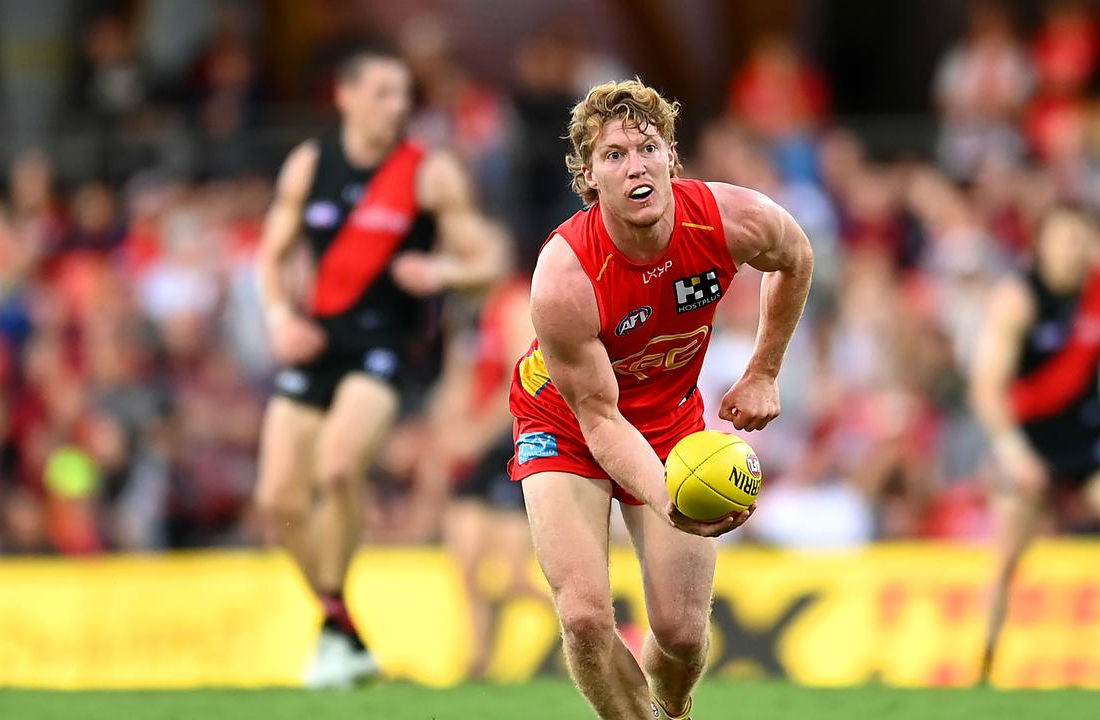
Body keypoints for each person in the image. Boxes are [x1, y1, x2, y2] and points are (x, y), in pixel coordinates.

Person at [508, 79, 814, 720]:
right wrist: (670, 496)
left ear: (672, 158)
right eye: (613, 154)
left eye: (646, 146)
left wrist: (763, 371)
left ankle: (673, 712)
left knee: (682, 636)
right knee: (587, 618)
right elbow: (599, 416)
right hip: (564, 426)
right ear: (588, 178)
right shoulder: (564, 278)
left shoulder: (731, 218)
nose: (635, 165)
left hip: (672, 419)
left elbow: (796, 257)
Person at [254, 45, 500, 689]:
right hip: (318, 343)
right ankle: (342, 629)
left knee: (337, 464)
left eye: (403, 94)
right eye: (384, 93)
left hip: (389, 350)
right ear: (346, 96)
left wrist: (442, 270)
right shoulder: (310, 164)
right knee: (277, 497)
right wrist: (279, 316)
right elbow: (272, 254)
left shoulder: (428, 172)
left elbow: (488, 256)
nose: (399, 106)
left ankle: (339, 636)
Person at [970, 205, 1100, 687]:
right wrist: (1013, 452)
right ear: (1042, 245)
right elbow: (985, 385)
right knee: (1006, 561)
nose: (1073, 251)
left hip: (1091, 437)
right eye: (1063, 240)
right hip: (1030, 443)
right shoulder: (1018, 297)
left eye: (1081, 240)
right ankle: (984, 670)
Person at [416, 228, 545, 680]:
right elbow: (457, 381)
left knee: (513, 576)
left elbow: (522, 381)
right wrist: (444, 433)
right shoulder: (467, 313)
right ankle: (478, 664)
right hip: (475, 445)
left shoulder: (514, 304)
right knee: (467, 565)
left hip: (511, 441)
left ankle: (609, 635)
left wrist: (473, 434)